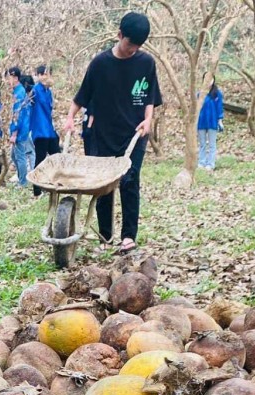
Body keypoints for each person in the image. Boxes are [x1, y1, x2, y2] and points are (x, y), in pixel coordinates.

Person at [66, 11, 162, 253]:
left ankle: (129, 236)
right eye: (130, 44)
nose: (133, 50)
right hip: (102, 134)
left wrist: (148, 120)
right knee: (104, 185)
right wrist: (69, 118)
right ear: (120, 35)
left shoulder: (146, 63)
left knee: (130, 181)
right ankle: (105, 236)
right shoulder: (100, 64)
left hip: (134, 134)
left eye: (138, 46)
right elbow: (81, 96)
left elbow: (150, 97)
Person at [30, 66, 61, 196]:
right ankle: (36, 188)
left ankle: (55, 183)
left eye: (46, 74)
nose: (44, 77)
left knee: (57, 156)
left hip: (49, 129)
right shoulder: (35, 90)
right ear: (37, 75)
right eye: (42, 74)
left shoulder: (48, 91)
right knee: (40, 158)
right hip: (39, 129)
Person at [6, 67, 33, 187]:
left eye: (9, 78)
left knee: (20, 155)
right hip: (22, 128)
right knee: (14, 155)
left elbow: (18, 114)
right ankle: (21, 177)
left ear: (15, 78)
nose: (7, 81)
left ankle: (23, 182)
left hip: (20, 130)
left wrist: (14, 133)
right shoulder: (18, 91)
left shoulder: (19, 93)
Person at [197, 79, 223, 171]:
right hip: (201, 121)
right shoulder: (199, 94)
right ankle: (201, 162)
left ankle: (210, 164)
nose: (209, 81)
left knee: (212, 144)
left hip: (212, 121)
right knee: (202, 144)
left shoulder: (217, 94)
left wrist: (220, 120)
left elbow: (219, 107)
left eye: (210, 78)